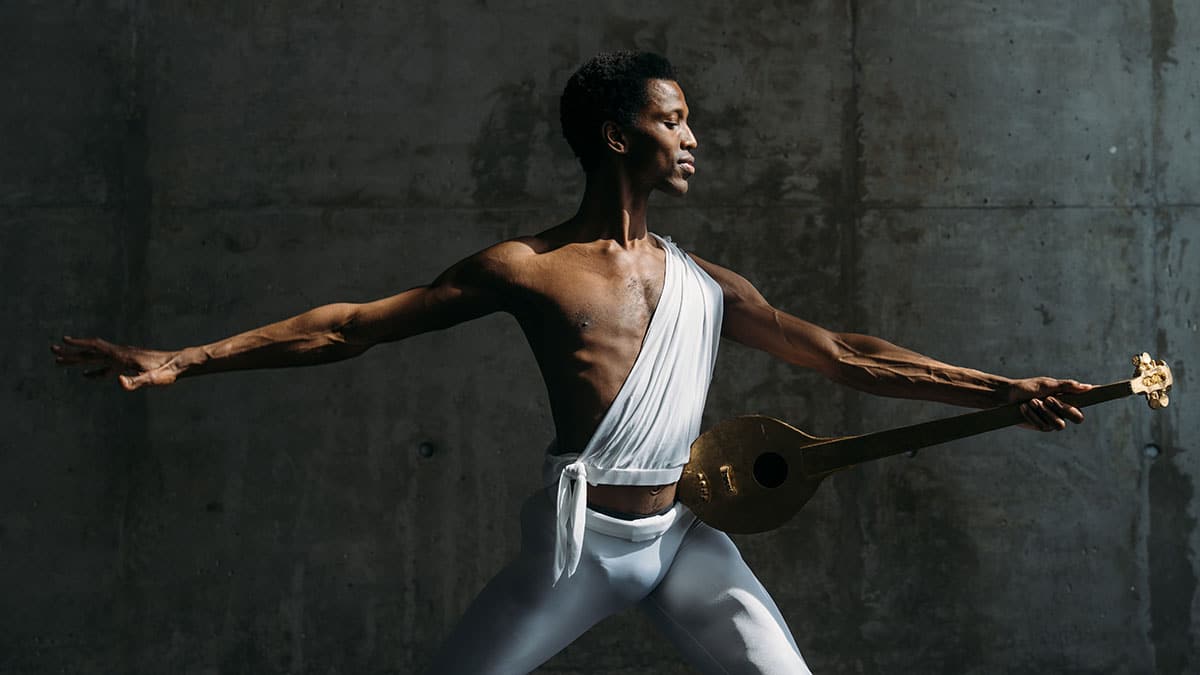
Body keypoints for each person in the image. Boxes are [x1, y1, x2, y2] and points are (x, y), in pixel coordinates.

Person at [53, 51, 1090, 674]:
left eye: (690, 121)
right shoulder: (531, 269)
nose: (692, 138)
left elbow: (844, 357)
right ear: (614, 134)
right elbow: (351, 327)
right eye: (671, 119)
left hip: (688, 536)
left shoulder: (705, 282)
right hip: (580, 547)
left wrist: (1006, 389)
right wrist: (184, 359)